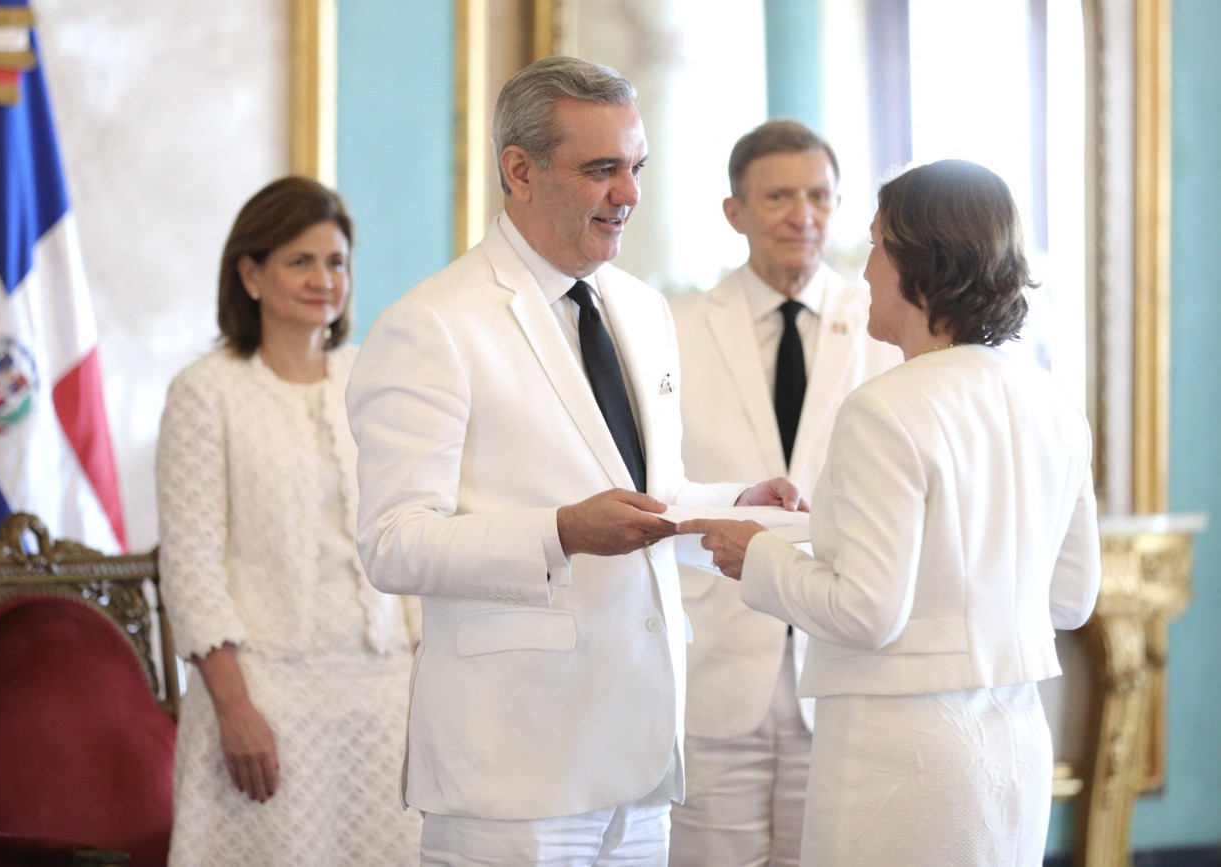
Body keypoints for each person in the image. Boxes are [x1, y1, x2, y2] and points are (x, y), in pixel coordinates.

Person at [345, 56, 799, 865]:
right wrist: (558, 532)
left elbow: (648, 497)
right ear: (519, 171)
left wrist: (733, 503)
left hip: (643, 755)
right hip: (513, 766)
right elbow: (393, 542)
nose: (628, 193)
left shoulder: (645, 309)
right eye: (601, 169)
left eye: (636, 168)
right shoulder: (433, 324)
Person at [679, 159, 1101, 865]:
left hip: (901, 756)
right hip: (1015, 748)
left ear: (918, 263)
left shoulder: (884, 407)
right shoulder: (1053, 402)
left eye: (875, 243)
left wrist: (757, 554)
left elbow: (866, 612)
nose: (865, 268)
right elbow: (1071, 598)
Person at [155, 176, 421, 865]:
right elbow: (190, 566)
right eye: (299, 261)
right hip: (264, 695)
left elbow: (411, 528)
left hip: (384, 693)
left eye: (336, 262)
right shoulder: (205, 392)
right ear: (250, 274)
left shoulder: (371, 378)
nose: (323, 280)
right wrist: (234, 708)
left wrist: (430, 677)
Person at [669, 120, 901, 866]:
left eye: (819, 196)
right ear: (735, 211)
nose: (803, 215)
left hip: (841, 663)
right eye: (778, 197)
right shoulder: (674, 329)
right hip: (715, 654)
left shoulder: (888, 329)